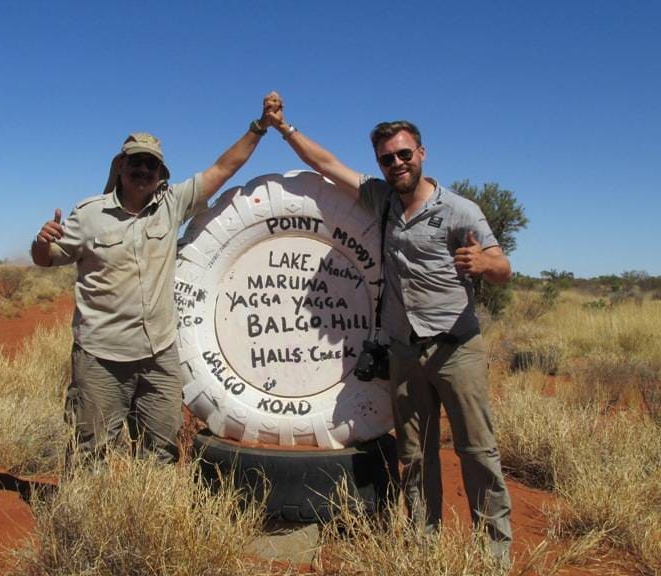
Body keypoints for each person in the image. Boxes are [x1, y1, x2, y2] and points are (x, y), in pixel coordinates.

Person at [265, 96, 513, 560]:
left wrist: (484, 263)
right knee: (414, 456)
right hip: (404, 352)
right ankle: (425, 542)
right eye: (386, 158)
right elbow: (326, 163)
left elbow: (503, 266)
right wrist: (283, 128)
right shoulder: (381, 200)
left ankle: (494, 553)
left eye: (404, 154)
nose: (396, 163)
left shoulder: (459, 211)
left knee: (477, 452)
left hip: (456, 349)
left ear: (421, 153)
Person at [31, 93, 281, 465]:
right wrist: (40, 242)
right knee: (91, 450)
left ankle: (149, 519)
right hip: (101, 355)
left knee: (162, 449)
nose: (144, 170)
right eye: (136, 162)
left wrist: (259, 127)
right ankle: (82, 520)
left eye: (152, 164)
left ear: (161, 172)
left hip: (158, 355)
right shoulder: (88, 215)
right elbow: (46, 260)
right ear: (120, 166)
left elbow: (223, 168)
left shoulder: (172, 204)